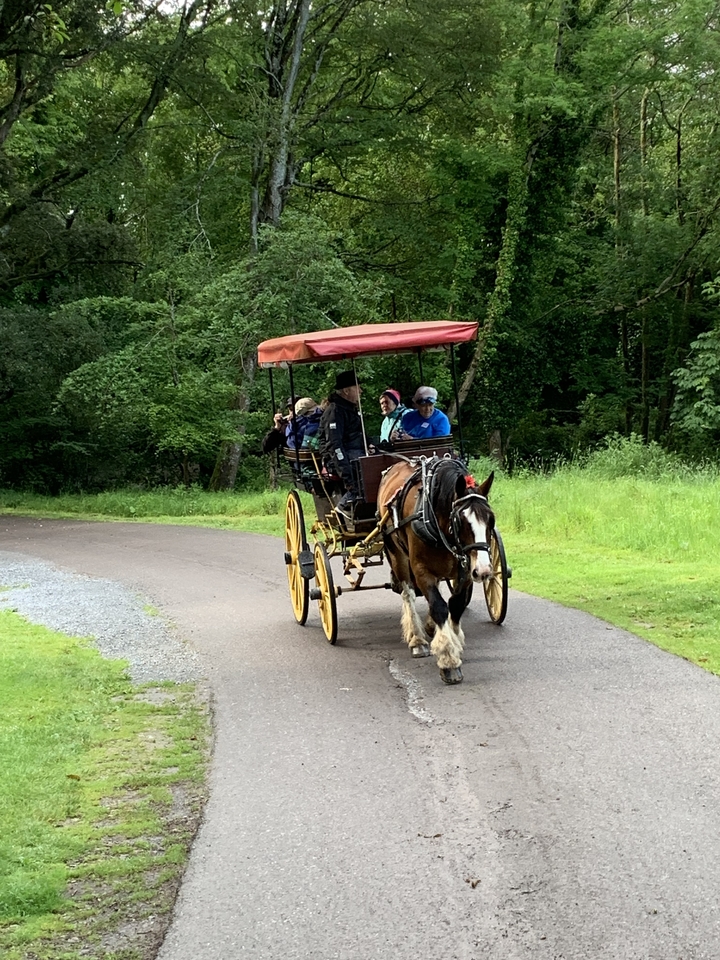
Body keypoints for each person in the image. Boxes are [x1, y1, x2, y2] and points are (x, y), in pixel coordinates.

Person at [320, 370, 365, 517]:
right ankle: (345, 503)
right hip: (338, 459)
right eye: (357, 387)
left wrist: (370, 445)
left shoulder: (350, 409)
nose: (361, 391)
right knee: (366, 466)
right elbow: (334, 445)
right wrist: (346, 475)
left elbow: (358, 434)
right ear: (346, 391)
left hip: (356, 452)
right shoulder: (335, 412)